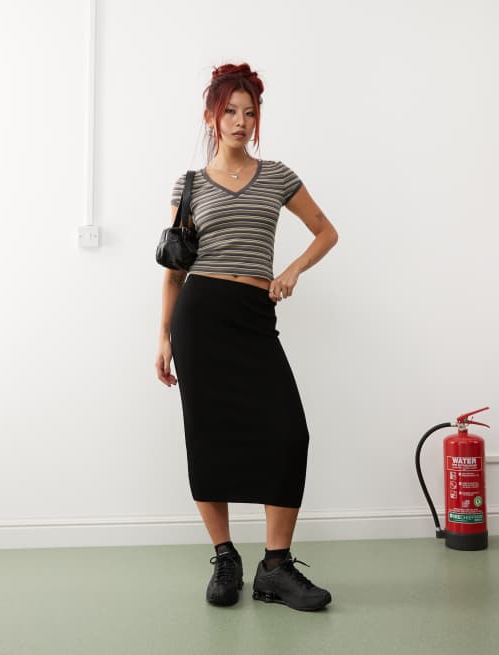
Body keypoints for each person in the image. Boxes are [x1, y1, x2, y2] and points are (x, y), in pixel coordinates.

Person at [155, 62, 338, 612]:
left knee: (288, 434)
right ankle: (225, 558)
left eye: (249, 112)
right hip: (200, 318)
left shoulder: (277, 176)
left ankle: (275, 567)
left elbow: (326, 232)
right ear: (211, 117)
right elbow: (174, 271)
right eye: (230, 111)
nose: (240, 121)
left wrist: (293, 270)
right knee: (207, 436)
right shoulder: (189, 185)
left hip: (255, 316)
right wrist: (162, 337)